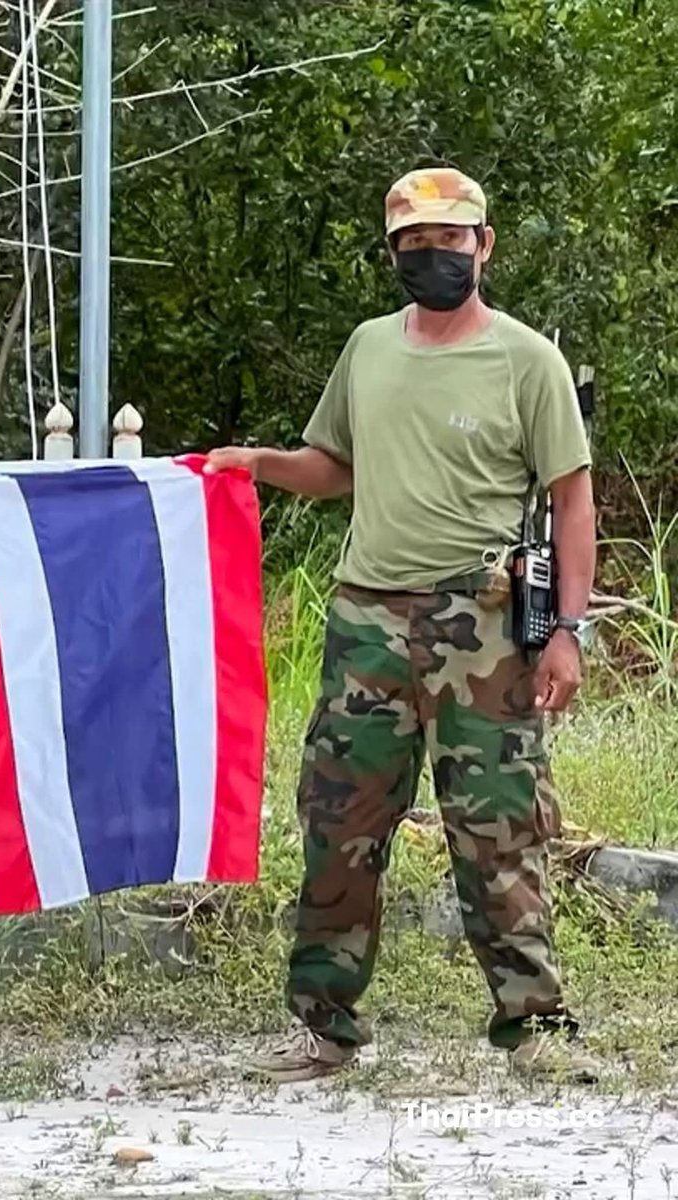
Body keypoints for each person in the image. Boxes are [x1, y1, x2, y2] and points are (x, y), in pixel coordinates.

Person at [207, 165, 599, 1084]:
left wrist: (569, 630)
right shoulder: (369, 350)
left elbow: (573, 502)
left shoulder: (527, 360)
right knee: (340, 822)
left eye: (450, 241)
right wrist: (258, 463)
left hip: (486, 624)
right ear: (394, 255)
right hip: (366, 623)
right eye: (414, 246)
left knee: (498, 826)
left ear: (484, 245)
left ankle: (533, 1024)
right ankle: (324, 1025)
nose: (434, 258)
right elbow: (334, 465)